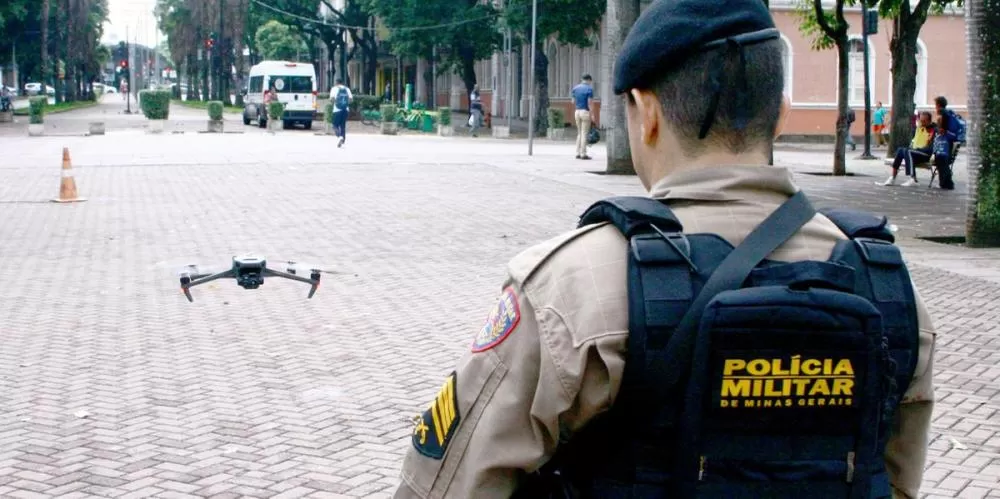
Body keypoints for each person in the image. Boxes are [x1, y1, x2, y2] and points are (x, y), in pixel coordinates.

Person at [392, 0, 935, 498]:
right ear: (782, 113)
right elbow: (894, 481)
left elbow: (448, 485)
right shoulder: (888, 288)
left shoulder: (570, 288)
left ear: (646, 112)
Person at [879, 111, 936, 187]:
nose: (922, 122)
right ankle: (892, 178)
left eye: (924, 121)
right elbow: (916, 140)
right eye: (921, 120)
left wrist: (917, 149)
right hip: (916, 152)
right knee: (901, 150)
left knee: (908, 151)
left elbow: (931, 147)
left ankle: (913, 179)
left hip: (925, 154)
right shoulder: (920, 127)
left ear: (929, 121)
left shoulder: (934, 130)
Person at [571, 74, 595, 160]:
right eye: (590, 81)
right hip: (585, 112)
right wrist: (592, 114)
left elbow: (572, 101)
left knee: (579, 133)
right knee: (584, 133)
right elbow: (589, 103)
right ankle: (583, 154)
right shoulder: (589, 89)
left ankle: (577, 152)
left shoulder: (575, 88)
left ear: (582, 79)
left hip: (577, 111)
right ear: (589, 80)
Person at [931, 114, 957, 190]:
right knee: (940, 158)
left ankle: (945, 183)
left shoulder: (948, 133)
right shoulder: (936, 132)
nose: (939, 125)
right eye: (938, 122)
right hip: (937, 154)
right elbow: (933, 143)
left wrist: (946, 132)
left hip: (945, 155)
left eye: (940, 123)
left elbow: (955, 137)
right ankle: (947, 183)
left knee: (941, 159)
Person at [329, 78, 352, 148]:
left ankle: (339, 137)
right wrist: (345, 104)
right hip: (345, 109)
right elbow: (350, 99)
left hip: (337, 110)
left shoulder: (334, 89)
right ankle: (342, 139)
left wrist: (334, 103)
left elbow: (332, 99)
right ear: (342, 83)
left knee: (334, 125)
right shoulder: (347, 89)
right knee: (343, 125)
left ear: (336, 82)